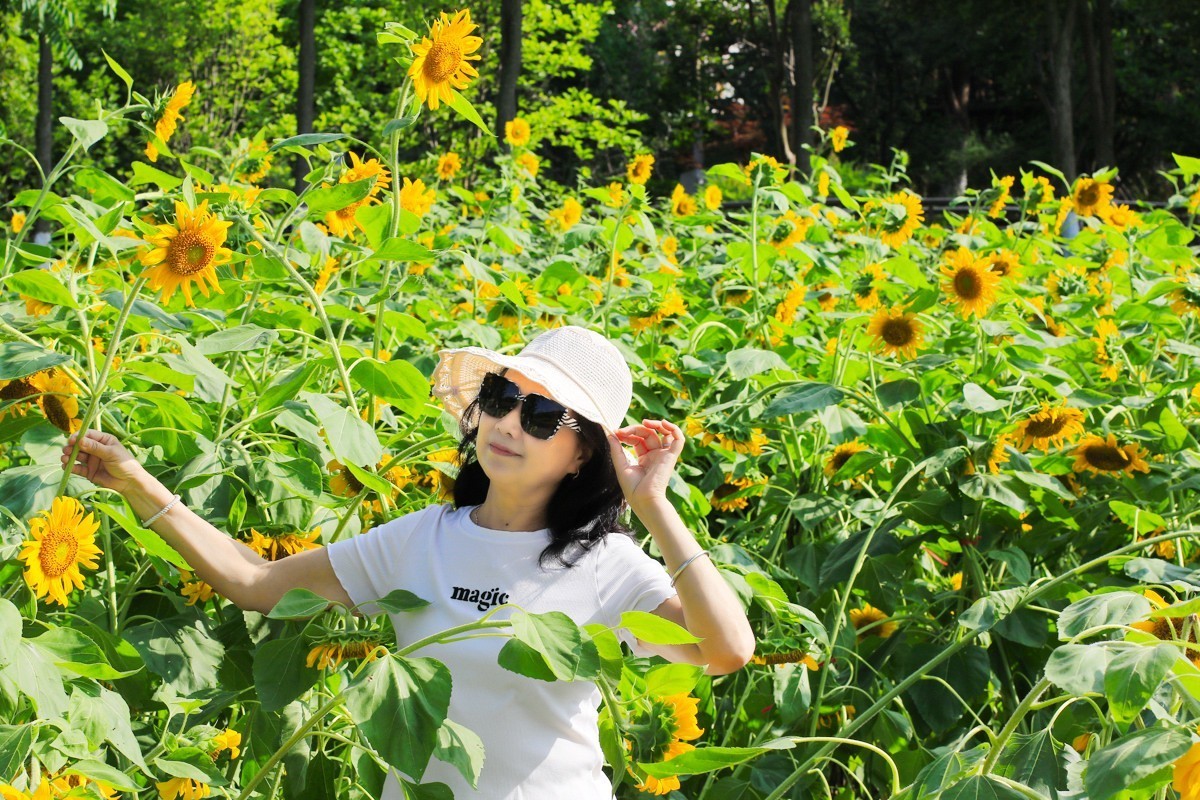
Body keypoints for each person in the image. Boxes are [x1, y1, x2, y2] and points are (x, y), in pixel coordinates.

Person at [61, 324, 755, 799]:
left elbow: (725, 650)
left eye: (543, 416)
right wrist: (136, 484)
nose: (509, 422)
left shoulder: (604, 563)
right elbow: (257, 583)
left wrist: (652, 503)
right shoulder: (425, 537)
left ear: (583, 455)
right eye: (502, 398)